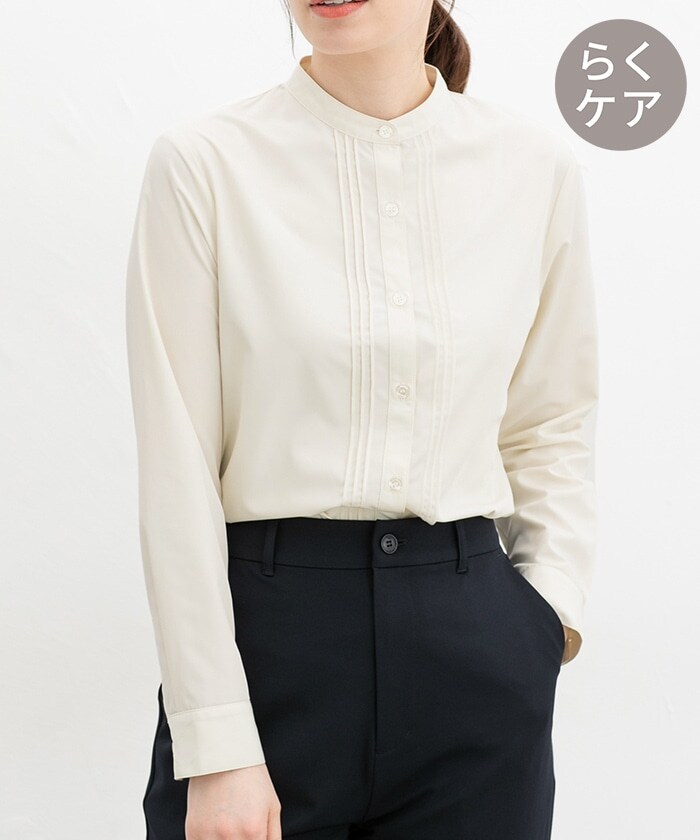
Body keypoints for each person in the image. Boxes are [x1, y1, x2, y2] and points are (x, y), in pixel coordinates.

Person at [124, 1, 599, 838]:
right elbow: (178, 467)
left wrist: (544, 622)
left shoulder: (533, 168)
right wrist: (216, 740)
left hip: (476, 654)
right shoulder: (204, 164)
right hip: (268, 653)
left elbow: (550, 421)